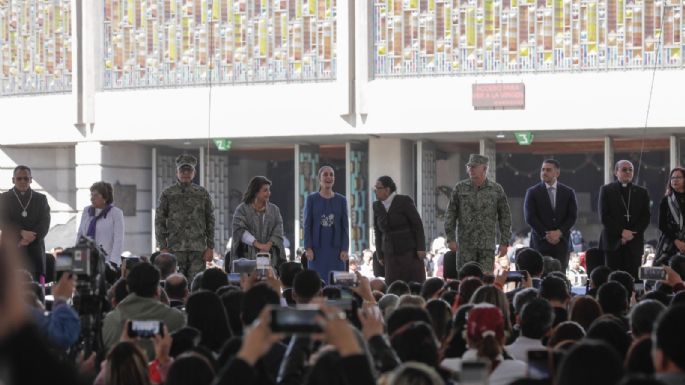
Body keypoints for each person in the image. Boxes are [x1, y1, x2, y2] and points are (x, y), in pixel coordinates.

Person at [444, 154, 512, 273]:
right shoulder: (460, 188)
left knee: (486, 280)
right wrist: (450, 238)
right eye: (469, 167)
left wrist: (504, 242)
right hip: (465, 245)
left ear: (485, 169)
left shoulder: (496, 189)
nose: (471, 169)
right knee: (465, 280)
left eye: (474, 167)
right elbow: (450, 213)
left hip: (486, 246)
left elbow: (505, 217)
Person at [155, 154, 215, 279]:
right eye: (182, 170)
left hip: (198, 250)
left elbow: (210, 220)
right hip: (175, 250)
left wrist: (210, 247)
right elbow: (159, 220)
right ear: (177, 172)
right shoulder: (168, 194)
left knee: (196, 285)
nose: (186, 173)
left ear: (194, 173)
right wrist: (163, 246)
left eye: (189, 170)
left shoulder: (202, 193)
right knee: (175, 283)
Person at [598, 159, 650, 280]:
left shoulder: (642, 192)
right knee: (612, 279)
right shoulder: (606, 190)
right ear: (616, 172)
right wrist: (622, 232)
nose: (628, 172)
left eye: (630, 170)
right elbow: (604, 216)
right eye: (624, 169)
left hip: (634, 242)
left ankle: (634, 299)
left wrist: (632, 233)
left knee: (634, 279)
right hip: (612, 242)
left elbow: (646, 216)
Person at [523, 159, 578, 271]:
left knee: (560, 275)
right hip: (540, 242)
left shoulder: (568, 192)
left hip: (561, 242)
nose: (544, 172)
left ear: (557, 173)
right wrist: (547, 234)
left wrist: (559, 232)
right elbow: (530, 217)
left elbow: (572, 216)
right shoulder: (532, 192)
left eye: (548, 170)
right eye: (543, 169)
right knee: (541, 275)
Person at [372, 175, 427, 284]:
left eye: (378, 188)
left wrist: (421, 247)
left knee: (413, 282)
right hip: (389, 253)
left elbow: (417, 224)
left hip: (409, 251)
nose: (375, 191)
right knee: (393, 284)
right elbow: (377, 231)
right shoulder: (377, 206)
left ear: (387, 190)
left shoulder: (404, 201)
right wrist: (379, 254)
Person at [0, 165, 51, 281]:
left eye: (26, 178)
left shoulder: (41, 199)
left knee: (37, 293)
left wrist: (28, 239)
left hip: (35, 253)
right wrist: (21, 233)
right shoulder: (4, 198)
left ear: (31, 180)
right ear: (13, 180)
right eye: (19, 178)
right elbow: (2, 221)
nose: (23, 181)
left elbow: (45, 222)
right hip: (12, 251)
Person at [303, 165, 349, 283]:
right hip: (316, 250)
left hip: (337, 250)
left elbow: (345, 227)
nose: (329, 177)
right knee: (316, 283)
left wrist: (345, 248)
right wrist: (308, 248)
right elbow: (307, 225)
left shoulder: (342, 200)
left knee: (337, 283)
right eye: (325, 174)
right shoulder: (311, 199)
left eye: (331, 174)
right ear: (319, 179)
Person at [230, 176, 286, 269]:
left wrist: (268, 245)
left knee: (269, 280)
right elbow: (239, 231)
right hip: (247, 257)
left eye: (269, 190)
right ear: (256, 192)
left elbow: (278, 229)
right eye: (265, 190)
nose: (269, 193)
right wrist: (258, 245)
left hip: (270, 256)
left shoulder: (274, 210)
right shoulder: (242, 209)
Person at [76, 181, 125, 266]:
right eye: (91, 195)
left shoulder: (116, 213)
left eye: (95, 195)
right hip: (86, 260)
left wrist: (112, 262)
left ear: (105, 198)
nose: (92, 198)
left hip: (106, 260)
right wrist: (77, 256)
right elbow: (80, 235)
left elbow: (118, 240)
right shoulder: (87, 211)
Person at [654, 167, 685, 266]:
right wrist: (677, 241)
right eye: (672, 178)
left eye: (678, 177)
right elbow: (662, 225)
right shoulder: (666, 200)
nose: (675, 180)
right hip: (670, 242)